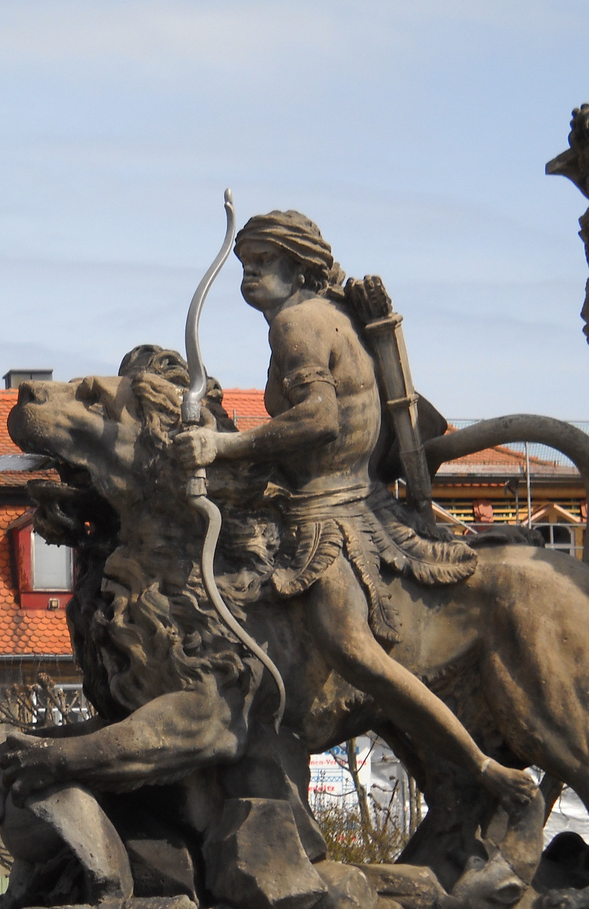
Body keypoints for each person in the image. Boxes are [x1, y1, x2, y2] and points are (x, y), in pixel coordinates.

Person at [172, 209, 537, 808]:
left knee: (351, 649)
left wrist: (223, 445)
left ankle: (482, 766)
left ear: (297, 265)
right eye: (243, 264)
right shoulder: (327, 313)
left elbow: (320, 418)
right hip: (334, 491)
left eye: (262, 262)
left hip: (333, 508)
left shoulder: (297, 323)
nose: (249, 275)